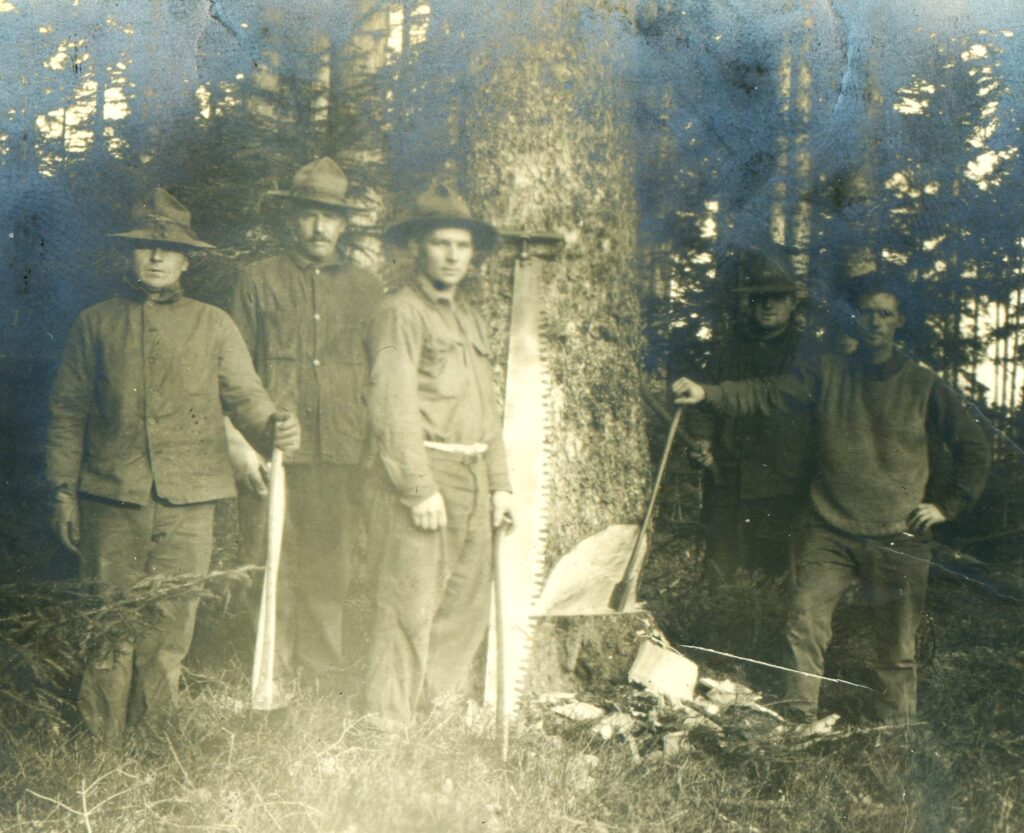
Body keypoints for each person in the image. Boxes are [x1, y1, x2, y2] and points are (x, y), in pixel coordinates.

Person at [672, 274, 989, 724]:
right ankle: (798, 724)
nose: (874, 322)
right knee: (804, 625)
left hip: (899, 535)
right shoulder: (827, 371)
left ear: (900, 321)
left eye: (885, 313)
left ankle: (891, 738)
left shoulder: (923, 384)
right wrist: (710, 392)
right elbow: (767, 394)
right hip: (830, 530)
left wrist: (948, 506)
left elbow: (973, 447)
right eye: (866, 312)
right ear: (853, 319)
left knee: (896, 649)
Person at [47, 188, 300, 741]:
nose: (156, 258)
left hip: (189, 502)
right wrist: (65, 490)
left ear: (188, 259)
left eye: (167, 249)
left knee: (170, 626)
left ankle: (154, 739)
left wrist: (273, 425)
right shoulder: (96, 324)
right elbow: (68, 410)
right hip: (112, 498)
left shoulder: (214, 325)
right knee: (109, 624)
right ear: (130, 256)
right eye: (145, 247)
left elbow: (247, 398)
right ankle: (99, 744)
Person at [227, 157, 382, 694]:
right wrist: (247, 442)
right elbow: (234, 370)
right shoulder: (257, 280)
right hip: (275, 453)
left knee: (329, 566)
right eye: (309, 215)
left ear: (344, 224)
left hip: (340, 449)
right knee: (265, 559)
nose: (319, 228)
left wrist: (369, 450)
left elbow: (381, 374)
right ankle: (270, 667)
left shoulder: (366, 289)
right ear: (292, 218)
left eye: (330, 217)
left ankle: (319, 673)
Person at [363, 183, 514, 727]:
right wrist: (417, 486)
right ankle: (389, 723)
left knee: (463, 604)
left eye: (462, 245)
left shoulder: (470, 318)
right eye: (440, 243)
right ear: (416, 249)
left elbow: (485, 404)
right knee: (410, 603)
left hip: (474, 474)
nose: (452, 255)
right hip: (430, 472)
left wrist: (500, 483)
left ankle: (432, 716)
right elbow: (390, 402)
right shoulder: (399, 313)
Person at [686, 250, 813, 582]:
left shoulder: (807, 354)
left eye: (777, 297)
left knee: (776, 577)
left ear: (792, 303)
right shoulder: (728, 351)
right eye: (760, 298)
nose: (768, 305)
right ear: (749, 303)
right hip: (727, 479)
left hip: (784, 486)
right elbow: (703, 404)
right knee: (720, 570)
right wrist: (702, 441)